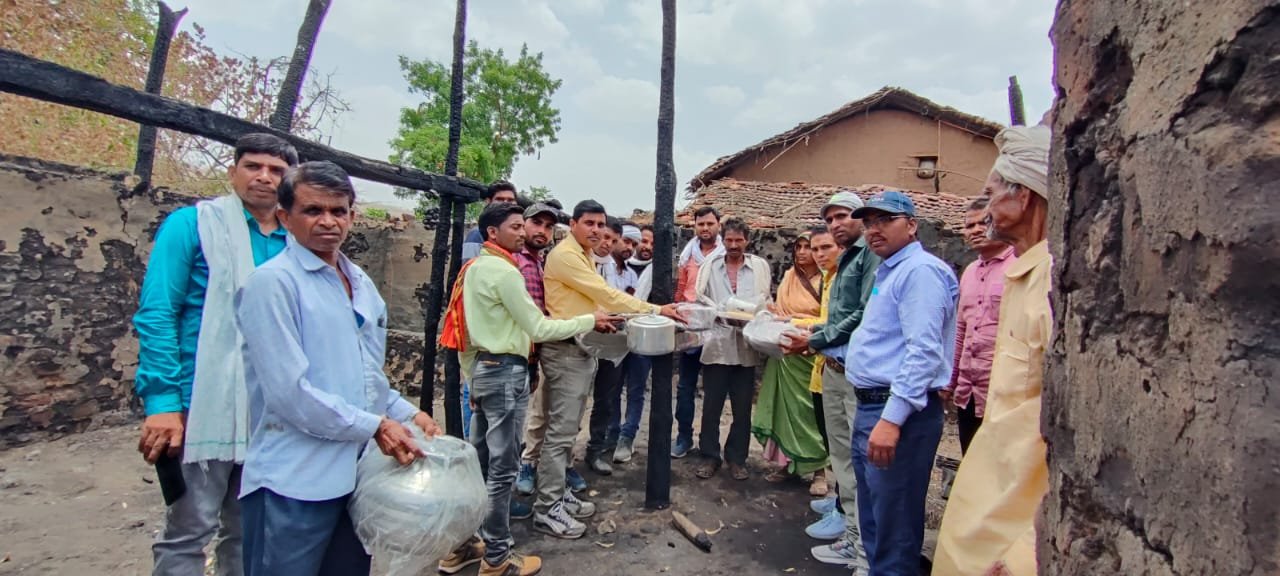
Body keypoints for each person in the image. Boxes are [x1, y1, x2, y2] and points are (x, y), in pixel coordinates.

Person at [234, 161, 444, 575]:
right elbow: (290, 394)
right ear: (285, 218)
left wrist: (406, 413)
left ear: (352, 214)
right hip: (294, 481)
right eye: (313, 211)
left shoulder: (359, 281)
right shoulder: (273, 283)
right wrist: (376, 426)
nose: (328, 222)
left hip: (356, 477)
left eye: (339, 210)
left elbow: (366, 378)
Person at [133, 133, 298, 576]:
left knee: (249, 530)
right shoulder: (192, 225)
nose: (264, 176)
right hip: (199, 404)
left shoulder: (294, 241)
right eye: (253, 166)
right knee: (189, 528)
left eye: (276, 170)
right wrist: (163, 402)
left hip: (270, 410)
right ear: (233, 172)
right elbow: (158, 311)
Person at [444, 202, 616, 576]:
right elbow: (538, 329)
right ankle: (497, 556)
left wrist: (472, 376)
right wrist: (589, 319)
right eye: (518, 226)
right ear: (493, 233)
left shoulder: (472, 270)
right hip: (505, 371)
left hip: (485, 369)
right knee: (503, 469)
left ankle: (463, 544)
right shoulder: (505, 273)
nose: (523, 233)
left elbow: (463, 332)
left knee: (481, 462)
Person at [934, 125, 1053, 576]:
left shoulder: (1055, 283)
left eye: (991, 193)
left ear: (1022, 197)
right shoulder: (1025, 272)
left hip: (1015, 518)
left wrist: (1026, 548)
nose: (986, 208)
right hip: (994, 479)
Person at [534, 200, 684, 539]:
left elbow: (596, 300)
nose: (597, 230)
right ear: (572, 224)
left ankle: (557, 495)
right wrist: (657, 309)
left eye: (601, 224)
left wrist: (611, 317)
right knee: (559, 435)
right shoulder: (567, 255)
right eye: (589, 223)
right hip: (566, 350)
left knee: (568, 431)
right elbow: (604, 293)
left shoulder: (585, 254)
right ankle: (546, 509)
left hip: (581, 346)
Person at [844, 190, 958, 576]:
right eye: (869, 223)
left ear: (911, 225)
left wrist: (891, 419)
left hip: (897, 412)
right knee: (876, 521)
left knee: (894, 528)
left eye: (884, 221)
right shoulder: (890, 270)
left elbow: (924, 352)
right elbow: (884, 342)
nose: (874, 230)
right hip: (872, 405)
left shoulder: (920, 272)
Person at [781, 191, 880, 562]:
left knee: (860, 465)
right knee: (843, 458)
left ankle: (865, 550)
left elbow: (860, 315)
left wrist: (815, 339)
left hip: (857, 375)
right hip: (834, 369)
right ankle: (853, 537)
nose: (836, 224)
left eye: (843, 216)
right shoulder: (844, 264)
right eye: (830, 219)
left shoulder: (867, 257)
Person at [515, 206, 590, 498]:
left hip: (547, 346)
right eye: (537, 223)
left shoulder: (543, 261)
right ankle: (529, 465)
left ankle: (558, 468)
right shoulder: (513, 262)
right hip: (521, 351)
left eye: (548, 227)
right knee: (539, 414)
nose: (542, 231)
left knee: (559, 413)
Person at [693, 217, 772, 481]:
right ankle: (709, 457)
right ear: (722, 241)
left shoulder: (759, 267)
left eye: (739, 240)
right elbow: (700, 298)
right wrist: (719, 312)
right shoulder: (710, 266)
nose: (734, 245)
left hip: (747, 345)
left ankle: (737, 459)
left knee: (741, 409)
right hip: (717, 344)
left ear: (748, 241)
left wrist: (752, 314)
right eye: (729, 240)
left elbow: (765, 300)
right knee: (712, 407)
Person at [751, 231, 829, 487]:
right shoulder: (788, 277)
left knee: (811, 413)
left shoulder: (827, 280)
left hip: (811, 354)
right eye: (800, 247)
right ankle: (788, 465)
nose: (803, 252)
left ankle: (819, 471)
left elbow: (829, 321)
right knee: (784, 411)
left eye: (810, 247)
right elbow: (780, 310)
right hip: (784, 351)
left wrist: (795, 322)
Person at [943, 197, 1016, 454]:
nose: (975, 230)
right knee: (972, 460)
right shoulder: (970, 272)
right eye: (969, 225)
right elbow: (961, 330)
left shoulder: (1019, 266)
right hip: (968, 392)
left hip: (1004, 392)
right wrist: (950, 383)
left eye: (983, 222)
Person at [461, 181, 521, 438]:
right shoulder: (478, 238)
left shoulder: (509, 251)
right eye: (500, 200)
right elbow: (470, 284)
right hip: (483, 335)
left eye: (510, 201)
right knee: (474, 396)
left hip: (500, 338)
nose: (506, 205)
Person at [793, 226, 844, 497]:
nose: (817, 254)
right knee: (831, 436)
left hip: (838, 367)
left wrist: (792, 322)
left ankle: (845, 512)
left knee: (843, 446)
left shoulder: (844, 279)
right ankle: (840, 506)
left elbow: (835, 324)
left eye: (826, 247)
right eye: (815, 248)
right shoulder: (830, 278)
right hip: (819, 366)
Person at [586, 220, 641, 475]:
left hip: (613, 343)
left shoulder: (628, 273)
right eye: (624, 241)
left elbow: (626, 303)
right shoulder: (585, 264)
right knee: (572, 402)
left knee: (605, 400)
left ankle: (595, 451)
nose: (608, 243)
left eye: (632, 243)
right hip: (581, 339)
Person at [673, 207, 724, 458]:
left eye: (710, 223)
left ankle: (709, 444)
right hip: (691, 328)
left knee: (714, 389)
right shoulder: (687, 256)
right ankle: (684, 437)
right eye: (701, 224)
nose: (705, 228)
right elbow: (681, 290)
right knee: (685, 387)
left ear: (719, 225)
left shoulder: (726, 255)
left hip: (718, 329)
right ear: (695, 226)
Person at [613, 223, 654, 463]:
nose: (646, 247)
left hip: (643, 339)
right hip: (616, 338)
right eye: (642, 242)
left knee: (637, 390)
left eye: (651, 243)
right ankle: (611, 434)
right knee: (612, 389)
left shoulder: (659, 272)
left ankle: (627, 437)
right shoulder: (617, 268)